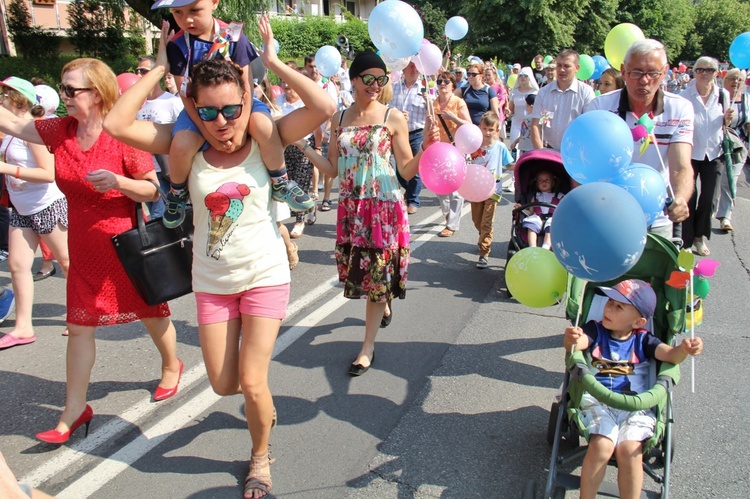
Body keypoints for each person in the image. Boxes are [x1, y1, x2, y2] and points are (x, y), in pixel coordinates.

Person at [106, 17, 335, 497]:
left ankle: (259, 460)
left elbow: (325, 105)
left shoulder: (265, 137)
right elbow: (115, 124)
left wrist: (270, 62)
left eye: (232, 109)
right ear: (192, 107)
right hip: (211, 282)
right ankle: (260, 408)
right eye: (208, 113)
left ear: (246, 100)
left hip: (265, 276)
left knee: (252, 381)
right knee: (222, 384)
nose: (223, 122)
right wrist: (160, 65)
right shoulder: (182, 144)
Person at [0, 58, 182, 442]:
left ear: (97, 95)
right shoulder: (60, 130)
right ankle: (74, 409)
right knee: (79, 326)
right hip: (81, 245)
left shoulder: (122, 133)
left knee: (150, 312)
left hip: (122, 244)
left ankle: (171, 364)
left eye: (71, 90)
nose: (63, 96)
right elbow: (15, 123)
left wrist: (119, 181)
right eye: (62, 88)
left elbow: (153, 190)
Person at [299, 51, 439, 375]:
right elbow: (332, 168)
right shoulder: (339, 118)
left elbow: (405, 169)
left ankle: (367, 347)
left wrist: (425, 149)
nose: (375, 85)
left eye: (381, 79)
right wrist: (303, 146)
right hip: (351, 207)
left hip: (383, 207)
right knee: (367, 277)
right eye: (368, 79)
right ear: (353, 79)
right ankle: (383, 300)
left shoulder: (393, 116)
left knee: (376, 278)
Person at [151, 0, 312, 229]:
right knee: (181, 142)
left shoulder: (233, 35)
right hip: (199, 110)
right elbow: (185, 95)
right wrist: (210, 135)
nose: (187, 19)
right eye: (178, 12)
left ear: (214, 2)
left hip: (240, 104)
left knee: (264, 126)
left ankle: (280, 180)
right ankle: (177, 192)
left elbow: (246, 87)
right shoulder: (178, 45)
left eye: (195, 10)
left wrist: (239, 131)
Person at [564, 279, 703, 499]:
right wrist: (573, 338)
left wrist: (684, 349)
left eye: (619, 307)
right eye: (610, 301)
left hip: (635, 406)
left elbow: (669, 355)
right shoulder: (595, 329)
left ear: (638, 321)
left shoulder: (644, 340)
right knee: (601, 447)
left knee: (630, 451)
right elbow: (579, 343)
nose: (609, 308)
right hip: (600, 402)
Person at [584, 39, 693, 239]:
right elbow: (587, 164)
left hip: (658, 216)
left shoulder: (681, 108)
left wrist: (680, 198)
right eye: (636, 72)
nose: (644, 80)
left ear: (665, 72)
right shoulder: (599, 107)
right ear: (624, 71)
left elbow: (681, 166)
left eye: (653, 73)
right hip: (609, 214)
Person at [0, 77, 70, 350]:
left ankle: (81, 314)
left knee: (67, 263)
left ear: (19, 99)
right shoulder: (12, 130)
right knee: (18, 265)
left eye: (6, 94)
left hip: (47, 205)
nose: (2, 99)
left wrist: (7, 170)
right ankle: (22, 327)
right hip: (20, 207)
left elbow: (48, 173)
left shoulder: (36, 130)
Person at [681, 56, 733, 256]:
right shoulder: (685, 95)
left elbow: (725, 124)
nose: (704, 73)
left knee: (709, 198)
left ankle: (699, 237)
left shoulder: (722, 95)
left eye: (709, 70)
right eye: (700, 69)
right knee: (689, 197)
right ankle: (686, 241)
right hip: (690, 152)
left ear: (716, 73)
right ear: (693, 72)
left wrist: (729, 120)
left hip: (714, 152)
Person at [134, 56, 184, 220]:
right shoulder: (136, 105)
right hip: (146, 171)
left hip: (169, 171)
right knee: (156, 219)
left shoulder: (171, 102)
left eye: (144, 71)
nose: (140, 75)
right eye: (137, 71)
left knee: (162, 216)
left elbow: (186, 133)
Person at [469, 112, 513, 269]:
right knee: (477, 220)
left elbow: (509, 164)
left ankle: (484, 253)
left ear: (497, 130)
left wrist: (522, 165)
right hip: (475, 189)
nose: (487, 133)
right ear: (479, 128)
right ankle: (483, 238)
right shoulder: (474, 145)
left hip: (493, 190)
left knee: (487, 221)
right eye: (484, 128)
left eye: (491, 129)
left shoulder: (500, 147)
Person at [530, 49, 595, 151]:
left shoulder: (586, 92)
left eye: (567, 66)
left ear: (577, 68)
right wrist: (541, 153)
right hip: (550, 151)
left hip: (576, 152)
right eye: (559, 65)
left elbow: (590, 127)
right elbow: (535, 125)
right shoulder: (544, 92)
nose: (561, 70)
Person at [276, 77, 316, 240]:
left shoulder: (304, 101)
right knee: (289, 184)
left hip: (304, 146)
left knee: (300, 184)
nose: (286, 85)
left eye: (289, 82)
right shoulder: (277, 101)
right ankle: (310, 206)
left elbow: (316, 125)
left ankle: (299, 221)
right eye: (283, 82)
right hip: (285, 147)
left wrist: (318, 148)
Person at [433, 71, 471, 237]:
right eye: (440, 81)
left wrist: (453, 117)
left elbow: (468, 125)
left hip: (456, 149)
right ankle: (448, 215)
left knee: (455, 190)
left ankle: (452, 225)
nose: (442, 84)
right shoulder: (434, 103)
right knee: (440, 188)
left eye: (446, 81)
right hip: (439, 150)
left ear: (453, 86)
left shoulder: (458, 102)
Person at [390, 61, 430, 214]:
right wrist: (398, 116)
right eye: (411, 67)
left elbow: (432, 113)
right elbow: (387, 109)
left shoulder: (425, 89)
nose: (414, 70)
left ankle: (413, 200)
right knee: (399, 169)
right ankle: (409, 190)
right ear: (404, 69)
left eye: (416, 67)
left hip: (416, 133)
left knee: (415, 168)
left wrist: (428, 101)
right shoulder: (395, 88)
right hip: (398, 134)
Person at [33, 83, 61, 281]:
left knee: (67, 257)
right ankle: (47, 263)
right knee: (17, 265)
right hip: (26, 197)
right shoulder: (27, 125)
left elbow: (48, 171)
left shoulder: (52, 125)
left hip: (49, 192)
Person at [716, 68, 750, 232]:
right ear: (725, 79)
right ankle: (710, 209)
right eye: (732, 78)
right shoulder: (718, 96)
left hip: (737, 146)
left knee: (729, 180)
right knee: (715, 181)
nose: (735, 82)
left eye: (740, 79)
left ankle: (725, 216)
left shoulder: (747, 100)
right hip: (716, 143)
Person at [514, 169, 563, 250]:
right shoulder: (535, 196)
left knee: (552, 226)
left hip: (552, 217)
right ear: (537, 184)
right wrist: (521, 209)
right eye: (540, 180)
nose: (544, 182)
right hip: (537, 217)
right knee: (531, 223)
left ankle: (546, 246)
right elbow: (530, 212)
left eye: (547, 180)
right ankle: (532, 247)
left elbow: (563, 209)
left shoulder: (559, 196)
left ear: (553, 182)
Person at [455, 62, 500, 127]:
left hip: (483, 128)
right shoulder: (464, 90)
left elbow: (495, 114)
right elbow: (450, 97)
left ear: (481, 75)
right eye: (468, 74)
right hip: (467, 127)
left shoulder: (489, 90)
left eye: (474, 74)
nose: (470, 77)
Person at [508, 67, 538, 145]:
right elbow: (510, 109)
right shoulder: (514, 92)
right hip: (517, 124)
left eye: (525, 75)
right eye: (521, 75)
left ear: (530, 78)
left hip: (530, 124)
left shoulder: (536, 92)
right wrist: (508, 112)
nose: (523, 77)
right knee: (514, 146)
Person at [510, 93, 536, 159]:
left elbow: (523, 133)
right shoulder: (541, 118)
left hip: (525, 148)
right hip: (536, 148)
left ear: (527, 105)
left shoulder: (527, 119)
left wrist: (515, 142)